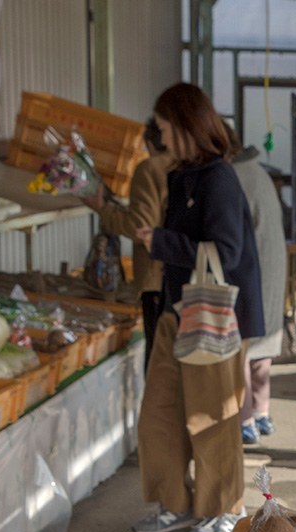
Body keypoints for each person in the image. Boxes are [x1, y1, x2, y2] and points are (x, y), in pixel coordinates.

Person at [132, 83, 265, 532]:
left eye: (166, 127)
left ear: (186, 126)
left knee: (212, 417)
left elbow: (227, 252)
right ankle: (175, 501)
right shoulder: (183, 175)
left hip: (212, 317)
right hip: (177, 308)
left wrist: (162, 243)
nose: (161, 137)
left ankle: (222, 508)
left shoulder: (218, 179)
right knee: (159, 415)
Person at [84, 118, 175, 361]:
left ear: (149, 142)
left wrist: (103, 209)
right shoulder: (182, 165)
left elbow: (140, 226)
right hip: (179, 274)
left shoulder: (150, 168)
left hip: (156, 277)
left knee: (157, 361)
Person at [231, 140, 286, 445]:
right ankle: (263, 414)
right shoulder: (259, 173)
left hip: (252, 269)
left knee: (243, 346)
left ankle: (245, 420)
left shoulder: (233, 177)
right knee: (262, 347)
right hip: (273, 266)